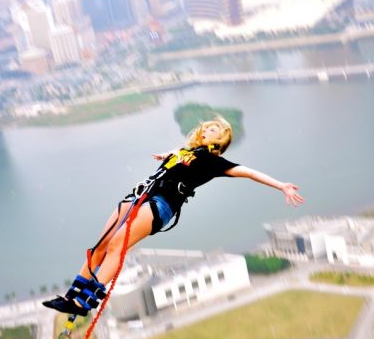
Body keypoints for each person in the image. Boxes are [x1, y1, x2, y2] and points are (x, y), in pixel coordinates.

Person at [43, 117, 304, 316]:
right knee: (100, 246)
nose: (206, 129)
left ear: (220, 142)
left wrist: (281, 185)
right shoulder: (183, 152)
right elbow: (177, 162)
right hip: (138, 196)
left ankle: (83, 303)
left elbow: (248, 172)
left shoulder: (214, 163)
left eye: (214, 129)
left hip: (161, 204)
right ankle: (70, 297)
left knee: (116, 245)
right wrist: (169, 156)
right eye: (207, 127)